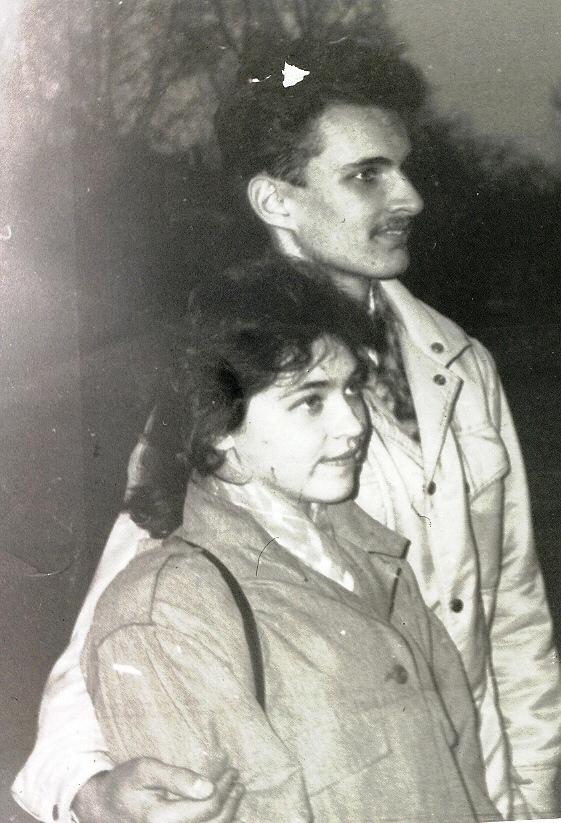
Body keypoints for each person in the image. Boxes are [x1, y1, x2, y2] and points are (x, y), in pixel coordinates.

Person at [13, 36, 560, 823]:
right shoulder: (227, 391)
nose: (410, 198)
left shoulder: (460, 363)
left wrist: (534, 799)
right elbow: (130, 613)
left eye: (404, 169)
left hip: (479, 789)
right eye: (367, 175)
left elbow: (513, 610)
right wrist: (86, 786)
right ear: (276, 201)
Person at [82, 259, 500, 823]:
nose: (354, 423)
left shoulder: (374, 558)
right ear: (221, 427)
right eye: (311, 400)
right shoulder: (170, 612)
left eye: (351, 389)